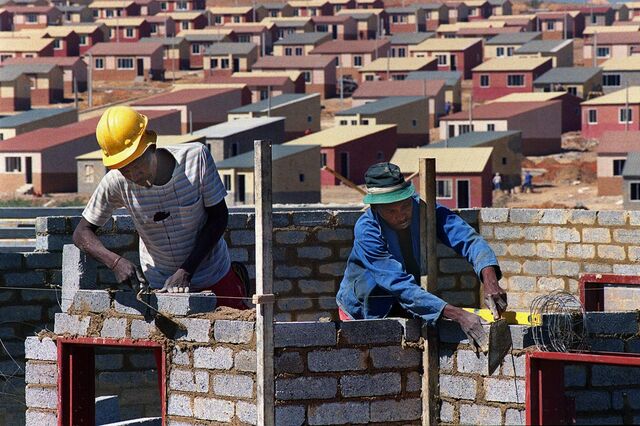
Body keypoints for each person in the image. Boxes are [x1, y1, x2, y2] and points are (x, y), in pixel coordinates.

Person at [73, 106, 248, 309]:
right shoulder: (116, 182)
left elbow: (219, 218)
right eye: (124, 169)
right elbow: (81, 233)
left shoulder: (195, 160)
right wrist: (115, 262)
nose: (134, 175)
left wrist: (186, 271)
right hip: (160, 285)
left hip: (213, 274)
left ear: (151, 148)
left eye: (138, 165)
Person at [336, 162, 508, 349]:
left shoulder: (424, 209)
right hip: (365, 309)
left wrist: (490, 279)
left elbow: (468, 239)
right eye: (391, 211)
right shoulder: (367, 230)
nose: (401, 215)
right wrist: (458, 315)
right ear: (375, 208)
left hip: (408, 304)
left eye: (404, 206)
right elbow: (398, 285)